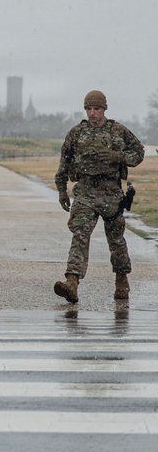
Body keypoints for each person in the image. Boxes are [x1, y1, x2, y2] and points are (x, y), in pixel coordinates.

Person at [53, 90, 144, 304]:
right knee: (80, 236)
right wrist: (61, 189)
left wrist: (118, 156)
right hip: (85, 192)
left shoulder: (118, 130)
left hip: (111, 194)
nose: (92, 113)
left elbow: (138, 153)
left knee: (116, 240)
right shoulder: (76, 133)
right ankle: (72, 282)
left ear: (104, 109)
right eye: (89, 109)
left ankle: (122, 279)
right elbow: (64, 162)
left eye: (96, 109)